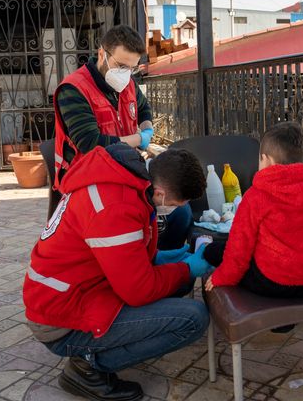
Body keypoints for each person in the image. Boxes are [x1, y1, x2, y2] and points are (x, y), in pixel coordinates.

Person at [23, 144, 211, 401]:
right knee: (194, 318)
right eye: (179, 203)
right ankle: (87, 367)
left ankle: (97, 352)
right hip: (60, 318)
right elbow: (138, 291)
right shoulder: (115, 206)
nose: (179, 208)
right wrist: (187, 268)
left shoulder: (127, 180)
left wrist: (167, 258)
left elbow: (123, 253)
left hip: (78, 291)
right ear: (161, 193)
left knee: (178, 281)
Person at [53, 25, 193, 250]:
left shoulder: (127, 82)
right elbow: (90, 144)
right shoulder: (73, 89)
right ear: (102, 54)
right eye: (120, 65)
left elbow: (144, 108)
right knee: (140, 215)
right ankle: (143, 264)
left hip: (125, 170)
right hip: (89, 177)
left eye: (131, 68)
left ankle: (162, 264)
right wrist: (140, 139)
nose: (125, 73)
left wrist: (147, 129)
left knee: (179, 207)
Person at [204, 122, 303, 300]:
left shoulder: (255, 196)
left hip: (274, 283)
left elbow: (239, 249)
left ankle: (204, 251)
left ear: (265, 159)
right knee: (228, 251)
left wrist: (222, 277)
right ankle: (284, 322)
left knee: (215, 252)